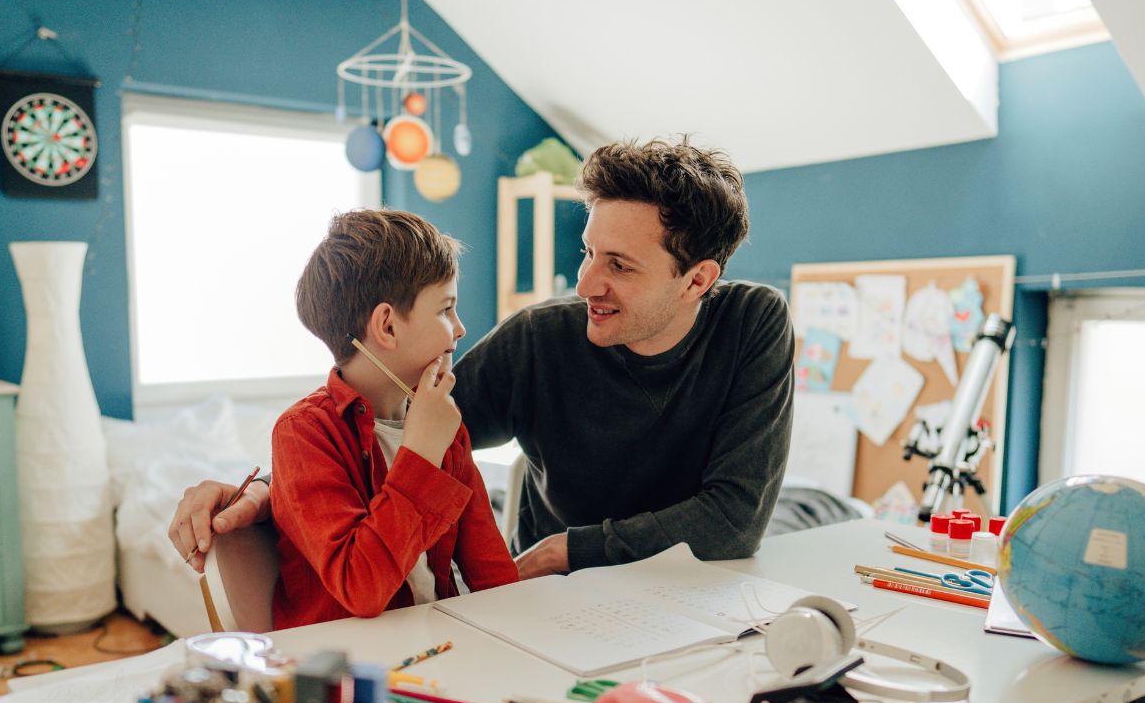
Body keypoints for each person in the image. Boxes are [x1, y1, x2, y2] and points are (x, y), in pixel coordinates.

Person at [170, 138, 795, 581]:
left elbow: (733, 522)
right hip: (558, 595)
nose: (584, 284)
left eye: (619, 266)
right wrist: (261, 492)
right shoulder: (541, 340)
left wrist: (567, 550)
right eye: (588, 252)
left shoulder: (753, 325)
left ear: (697, 280)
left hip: (685, 587)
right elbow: (392, 432)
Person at [266, 210, 516, 628]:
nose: (460, 328)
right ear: (386, 325)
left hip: (432, 646)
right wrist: (420, 454)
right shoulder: (304, 433)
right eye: (445, 310)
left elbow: (492, 571)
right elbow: (361, 587)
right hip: (351, 666)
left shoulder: (443, 422)